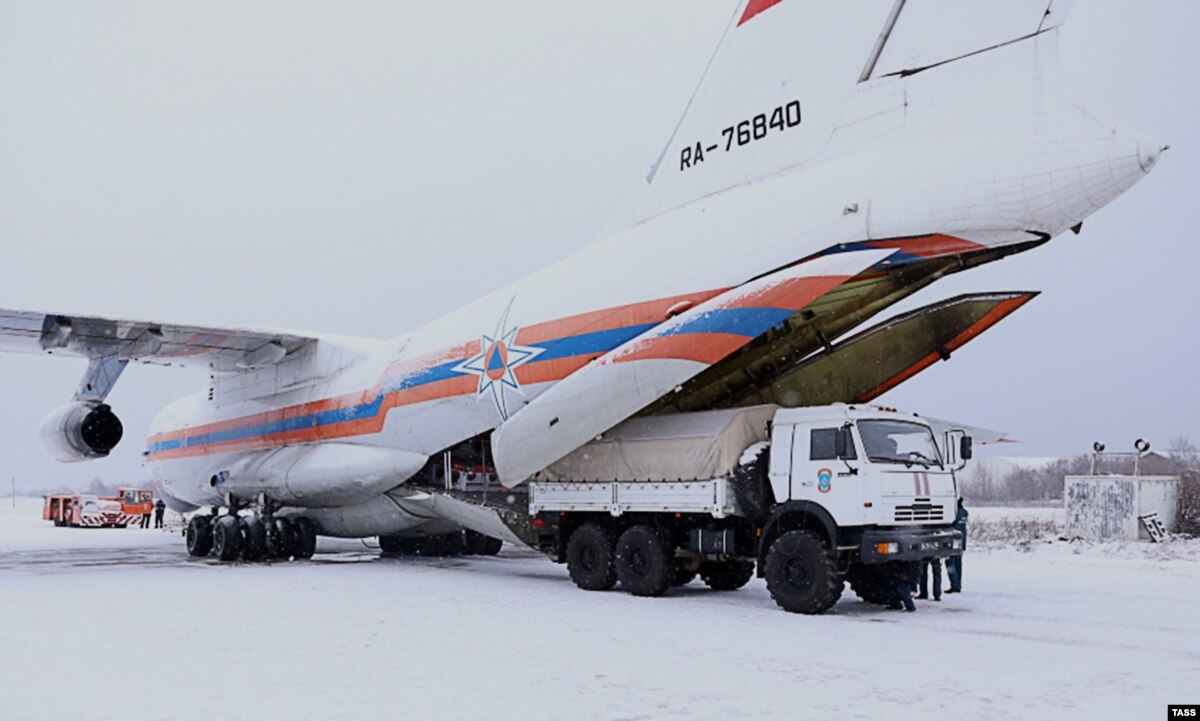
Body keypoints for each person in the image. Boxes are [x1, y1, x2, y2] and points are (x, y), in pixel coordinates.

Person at [946, 498, 968, 593]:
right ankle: (958, 584)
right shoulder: (964, 512)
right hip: (962, 540)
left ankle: (954, 585)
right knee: (958, 563)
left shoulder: (954, 512)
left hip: (953, 539)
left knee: (950, 563)